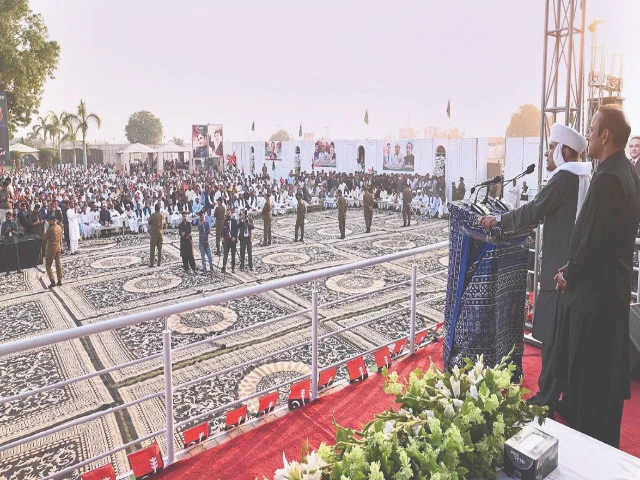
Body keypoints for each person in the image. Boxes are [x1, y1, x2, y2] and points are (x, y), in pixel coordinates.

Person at [480, 122, 590, 416]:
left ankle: (545, 400)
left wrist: (499, 221)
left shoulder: (564, 178)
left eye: (552, 148)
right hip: (573, 270)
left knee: (554, 340)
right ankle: (564, 397)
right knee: (566, 340)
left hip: (559, 273)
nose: (547, 153)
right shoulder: (582, 177)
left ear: (566, 151)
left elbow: (534, 210)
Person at [554, 106, 640, 447]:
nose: (587, 135)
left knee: (589, 388)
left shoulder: (607, 180)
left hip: (595, 303)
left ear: (605, 136)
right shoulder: (626, 171)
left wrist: (568, 274)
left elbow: (593, 244)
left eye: (591, 129)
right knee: (603, 390)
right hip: (610, 297)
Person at [42, 216, 63, 287]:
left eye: (49, 221)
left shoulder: (50, 229)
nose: (48, 222)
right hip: (58, 247)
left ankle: (52, 281)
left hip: (51, 248)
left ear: (52, 221)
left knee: (48, 265)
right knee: (58, 264)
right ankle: (59, 280)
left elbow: (44, 238)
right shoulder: (59, 227)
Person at [1, 211, 22, 275]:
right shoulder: (4, 224)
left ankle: (18, 269)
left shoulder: (14, 223)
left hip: (14, 242)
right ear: (6, 217)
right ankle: (8, 271)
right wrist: (7, 231)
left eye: (10, 217)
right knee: (8, 257)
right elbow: (2, 233)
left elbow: (17, 233)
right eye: (8, 217)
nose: (9, 218)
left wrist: (12, 231)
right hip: (8, 243)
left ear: (12, 217)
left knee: (16, 257)